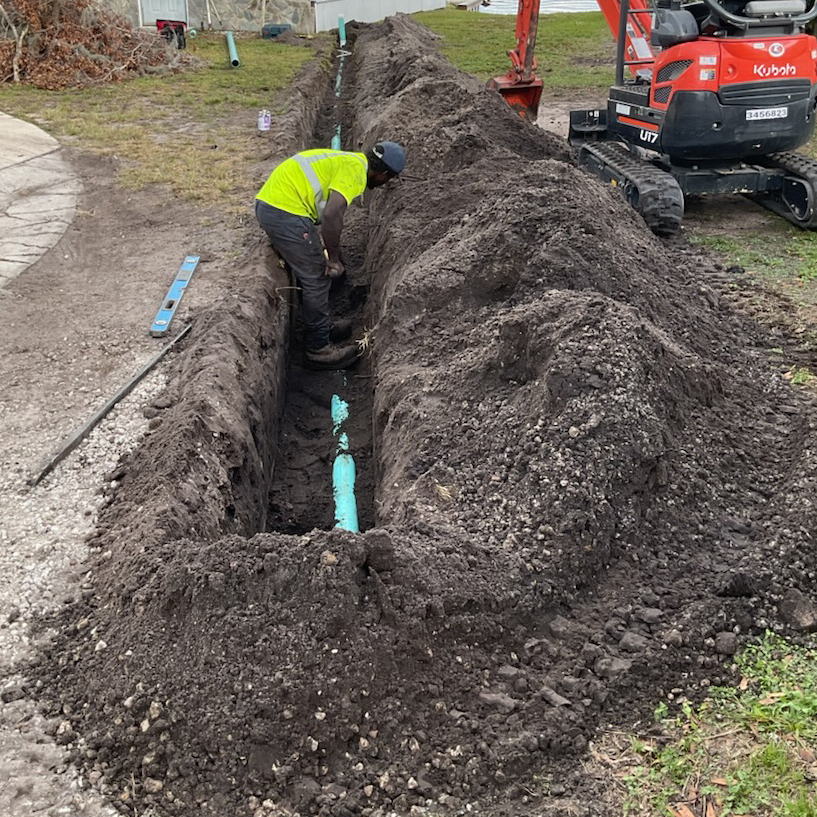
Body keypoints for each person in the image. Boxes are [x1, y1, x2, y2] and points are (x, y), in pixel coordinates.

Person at [255, 141, 407, 370]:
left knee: (315, 267)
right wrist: (333, 259)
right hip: (284, 212)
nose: (386, 183)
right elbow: (332, 213)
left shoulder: (352, 161)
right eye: (388, 179)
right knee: (317, 277)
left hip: (275, 204)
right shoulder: (356, 174)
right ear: (383, 173)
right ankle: (318, 349)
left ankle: (321, 326)